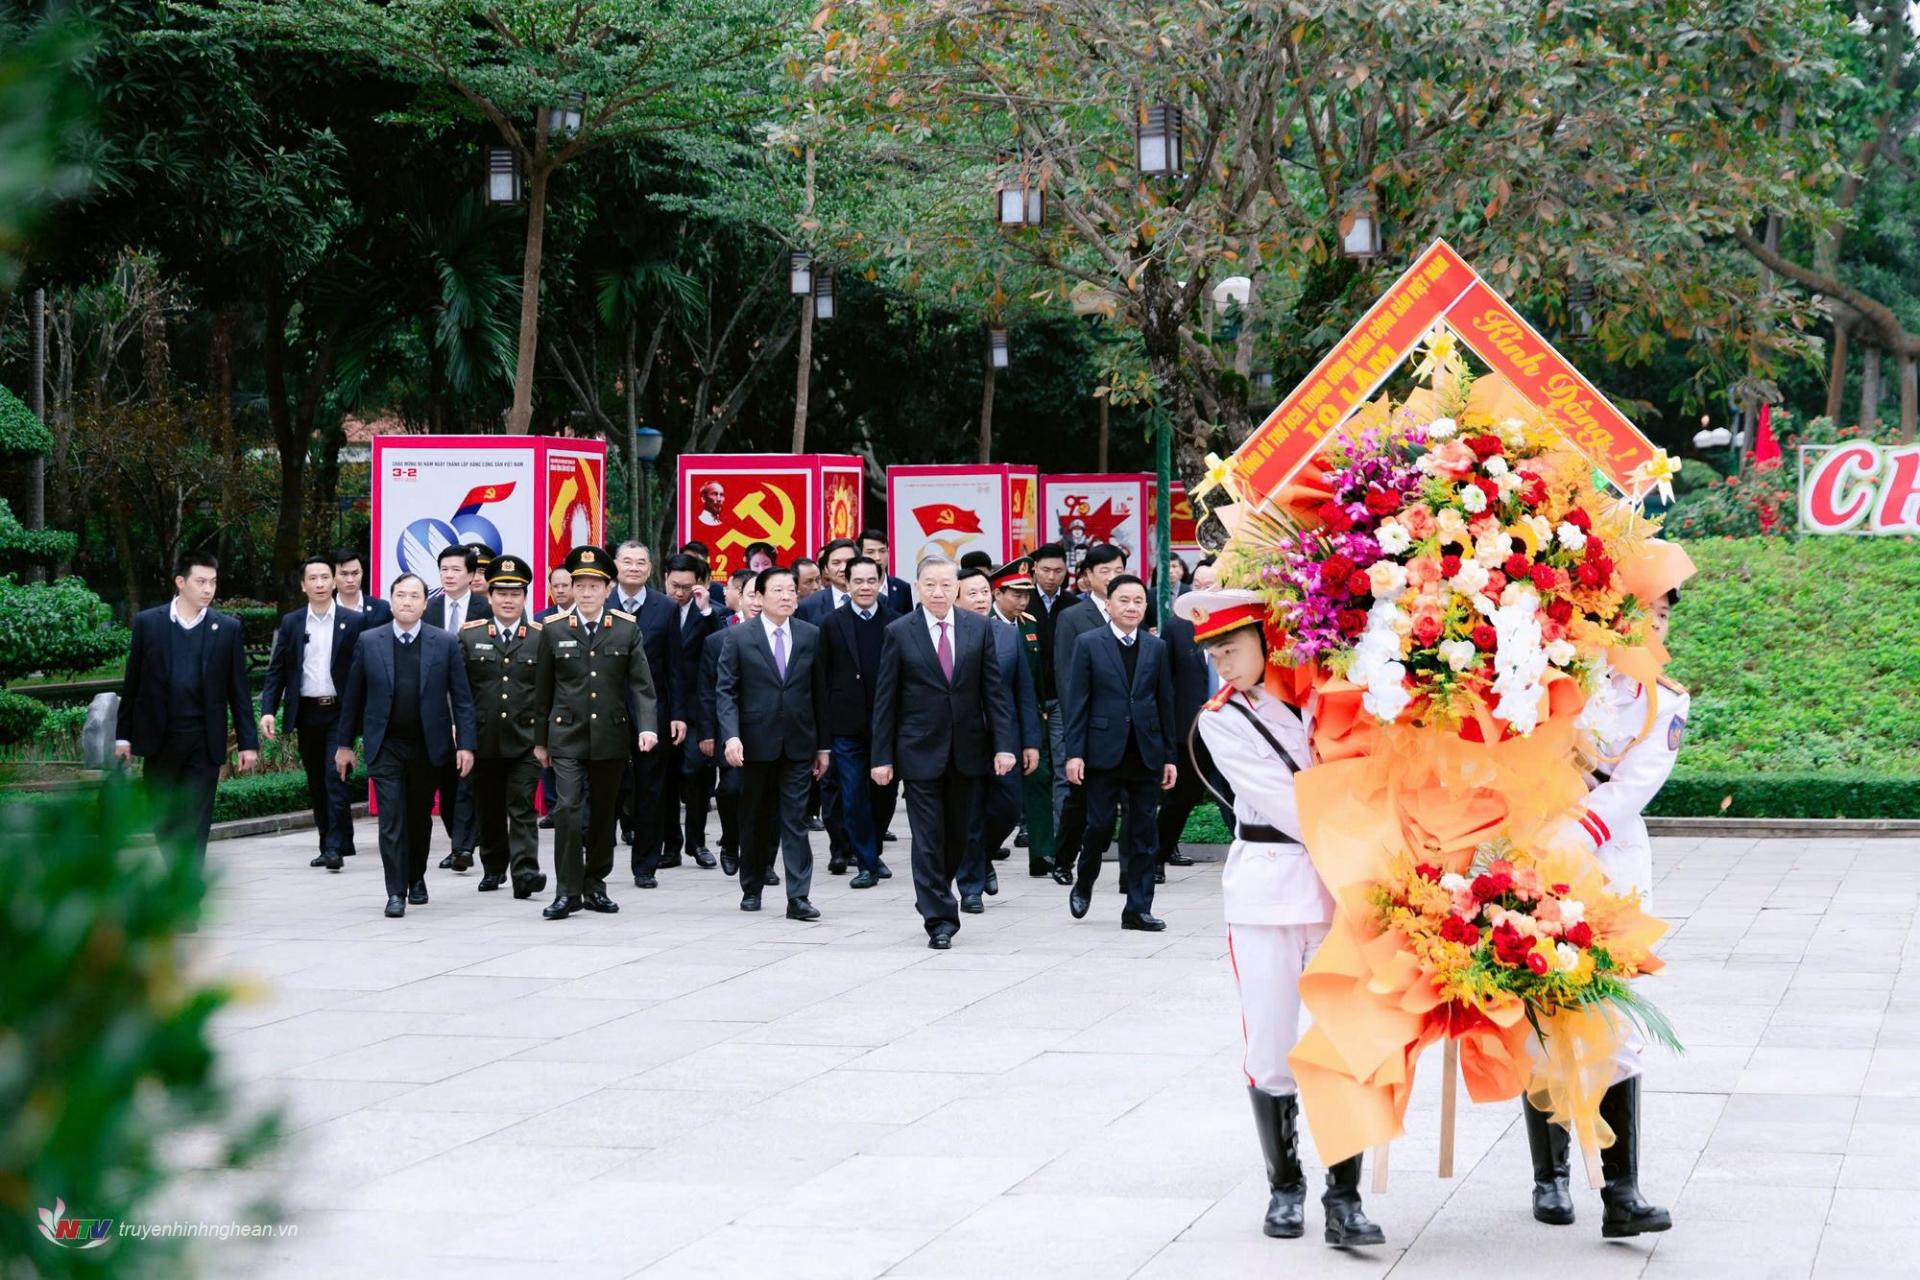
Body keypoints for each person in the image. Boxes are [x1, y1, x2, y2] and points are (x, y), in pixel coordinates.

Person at [1178, 586, 1383, 1248]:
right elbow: (1287, 800)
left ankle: (1344, 1197)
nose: (1222, 664)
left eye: (1232, 649)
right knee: (1270, 1049)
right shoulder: (1220, 719)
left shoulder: (1329, 695)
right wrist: (1365, 831)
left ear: (1267, 643)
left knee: (1346, 1042)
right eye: (1213, 652)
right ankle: (1286, 1186)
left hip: (1337, 896)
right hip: (1268, 892)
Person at [1526, 563, 1691, 1239]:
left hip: (1614, 867)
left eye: (1663, 614)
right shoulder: (1563, 680)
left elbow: (1631, 791)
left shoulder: (1667, 701)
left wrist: (1574, 831)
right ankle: (1551, 1175)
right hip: (1543, 858)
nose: (1654, 625)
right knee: (1541, 1011)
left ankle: (1621, 1192)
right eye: (1643, 612)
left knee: (1617, 1026)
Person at [870, 554, 1016, 949]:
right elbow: (886, 700)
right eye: (930, 584)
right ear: (918, 587)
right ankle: (939, 917)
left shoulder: (978, 628)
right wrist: (881, 757)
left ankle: (937, 890)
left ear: (957, 588)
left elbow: (994, 693)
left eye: (946, 585)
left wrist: (1004, 745)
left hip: (968, 749)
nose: (938, 592)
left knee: (958, 835)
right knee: (928, 836)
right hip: (918, 752)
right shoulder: (900, 631)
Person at [332, 574, 477, 919]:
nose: (407, 602)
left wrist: (466, 745)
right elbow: (353, 697)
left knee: (418, 818)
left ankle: (416, 877)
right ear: (392, 600)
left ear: (426, 604)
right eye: (400, 595)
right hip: (387, 745)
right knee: (392, 819)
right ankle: (395, 891)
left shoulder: (444, 642)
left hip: (428, 746)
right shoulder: (370, 641)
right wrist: (344, 744)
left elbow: (462, 698)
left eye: (414, 596)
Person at [115, 551, 260, 881]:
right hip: (160, 740)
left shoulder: (226, 629)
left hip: (203, 742)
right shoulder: (149, 624)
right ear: (180, 582)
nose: (208, 589)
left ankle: (187, 885)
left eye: (213, 582)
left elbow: (238, 690)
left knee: (196, 818)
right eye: (201, 581)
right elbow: (132, 683)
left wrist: (247, 743)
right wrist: (122, 736)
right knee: (164, 817)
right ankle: (177, 873)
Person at [533, 545, 659, 921]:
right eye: (580, 585)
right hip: (566, 736)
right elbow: (542, 689)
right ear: (571, 589)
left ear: (608, 589)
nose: (586, 593)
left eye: (594, 586)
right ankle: (566, 891)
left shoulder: (625, 629)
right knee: (568, 810)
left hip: (611, 736)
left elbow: (642, 686)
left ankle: (595, 885)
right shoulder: (553, 630)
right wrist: (540, 740)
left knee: (604, 814)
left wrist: (648, 727)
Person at [1062, 574, 1176, 931]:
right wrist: (1074, 752)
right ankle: (1085, 879)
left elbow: (1165, 703)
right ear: (1108, 605)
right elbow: (1077, 701)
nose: (1131, 607)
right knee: (1099, 825)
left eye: (1138, 601)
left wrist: (1170, 756)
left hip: (1145, 751)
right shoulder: (1088, 643)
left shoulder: (1156, 648)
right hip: (1101, 751)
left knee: (1144, 831)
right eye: (1123, 600)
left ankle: (1138, 909)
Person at [717, 565, 830, 920]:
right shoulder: (739, 637)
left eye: (791, 590)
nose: (786, 596)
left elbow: (820, 693)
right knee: (754, 818)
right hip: (753, 743)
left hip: (798, 743)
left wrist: (823, 746)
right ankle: (751, 885)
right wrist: (731, 736)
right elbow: (726, 691)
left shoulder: (811, 634)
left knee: (795, 820)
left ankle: (798, 897)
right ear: (760, 597)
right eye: (778, 590)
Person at [259, 554, 364, 872]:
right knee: (317, 781)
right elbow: (277, 670)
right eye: (312, 579)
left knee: (335, 776)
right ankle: (330, 841)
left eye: (324, 577)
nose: (319, 584)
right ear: (303, 585)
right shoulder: (292, 623)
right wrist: (268, 711)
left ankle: (335, 847)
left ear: (333, 581)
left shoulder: (353, 621)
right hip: (306, 712)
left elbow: (364, 672)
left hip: (339, 712)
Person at [458, 554, 549, 900]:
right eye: (501, 593)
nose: (508, 600)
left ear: (525, 597)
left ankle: (525, 871)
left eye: (516, 593)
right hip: (483, 739)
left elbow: (548, 690)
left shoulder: (541, 637)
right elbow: (460, 690)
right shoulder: (470, 636)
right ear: (490, 596)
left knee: (523, 804)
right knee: (489, 806)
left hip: (526, 738)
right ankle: (494, 866)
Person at [954, 566, 1039, 913]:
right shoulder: (947, 635)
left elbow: (1024, 692)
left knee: (1008, 807)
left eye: (983, 593)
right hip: (963, 740)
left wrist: (1030, 741)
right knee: (970, 812)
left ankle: (985, 853)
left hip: (1004, 738)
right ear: (956, 597)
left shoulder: (1006, 635)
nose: (978, 599)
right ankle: (970, 885)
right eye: (970, 593)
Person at [817, 554, 898, 889]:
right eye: (858, 581)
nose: (865, 587)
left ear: (881, 582)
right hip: (846, 726)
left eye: (871, 580)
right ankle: (865, 862)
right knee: (853, 795)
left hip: (887, 725)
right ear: (846, 584)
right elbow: (821, 679)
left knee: (885, 794)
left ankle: (873, 849)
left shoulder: (896, 622)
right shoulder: (830, 624)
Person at [1049, 543, 1128, 886]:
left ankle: (1132, 870)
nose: (1113, 577)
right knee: (1079, 796)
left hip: (1126, 721)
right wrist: (1074, 727)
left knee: (1128, 796)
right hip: (1088, 720)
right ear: (1087, 578)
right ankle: (1064, 858)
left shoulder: (1132, 609)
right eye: (1105, 571)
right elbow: (1066, 676)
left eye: (1118, 569)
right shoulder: (1073, 617)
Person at [609, 540, 680, 886]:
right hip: (606, 710)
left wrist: (678, 714)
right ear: (616, 566)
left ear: (650, 570)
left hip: (653, 711)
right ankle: (597, 863)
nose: (634, 567)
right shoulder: (599, 602)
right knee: (609, 786)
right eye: (627, 561)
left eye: (641, 562)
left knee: (651, 787)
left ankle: (646, 864)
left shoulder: (665, 608)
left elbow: (675, 667)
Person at [989, 558, 1056, 878]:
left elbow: (1035, 680)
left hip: (1030, 716)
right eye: (1015, 594)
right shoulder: (983, 623)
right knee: (1002, 794)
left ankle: (1043, 853)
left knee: (1039, 779)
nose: (1021, 601)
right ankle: (984, 847)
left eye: (1026, 595)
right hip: (995, 724)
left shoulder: (1028, 624)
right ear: (997, 593)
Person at [425, 544, 488, 872]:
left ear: (472, 574)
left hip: (474, 707)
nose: (449, 575)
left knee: (468, 780)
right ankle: (458, 841)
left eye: (456, 570)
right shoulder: (429, 610)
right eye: (444, 569)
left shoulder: (486, 610)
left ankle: (464, 846)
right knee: (447, 784)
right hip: (436, 710)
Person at [663, 552, 722, 869]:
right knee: (666, 778)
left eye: (687, 587)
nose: (679, 593)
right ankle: (670, 845)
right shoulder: (658, 611)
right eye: (675, 585)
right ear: (666, 579)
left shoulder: (712, 613)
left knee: (698, 773)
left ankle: (696, 842)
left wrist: (705, 610)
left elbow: (719, 646)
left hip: (699, 708)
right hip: (666, 705)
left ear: (700, 584)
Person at [699, 569, 757, 876]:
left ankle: (763, 859)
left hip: (772, 731)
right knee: (731, 790)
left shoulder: (796, 635)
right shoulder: (718, 640)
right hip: (731, 730)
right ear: (739, 599)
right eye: (752, 595)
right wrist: (708, 733)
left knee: (767, 799)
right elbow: (710, 692)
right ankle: (731, 841)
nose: (758, 602)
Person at [1152, 599, 1211, 880]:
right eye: (1199, 586)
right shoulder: (1177, 629)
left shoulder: (1243, 624)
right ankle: (1158, 857)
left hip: (1234, 725)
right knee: (1181, 798)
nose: (1205, 592)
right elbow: (1165, 681)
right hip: (1190, 728)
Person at [797, 538, 858, 622]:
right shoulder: (808, 605)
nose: (843, 568)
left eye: (849, 562)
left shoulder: (878, 601)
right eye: (836, 563)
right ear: (826, 568)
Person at [859, 529, 914, 615]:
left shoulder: (902, 588)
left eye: (882, 551)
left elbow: (909, 623)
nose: (877, 557)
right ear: (860, 554)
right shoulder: (854, 587)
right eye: (870, 552)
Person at [331, 547, 391, 625]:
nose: (350, 580)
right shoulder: (326, 610)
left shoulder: (382, 608)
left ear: (362, 573)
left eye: (355, 573)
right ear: (333, 577)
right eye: (344, 574)